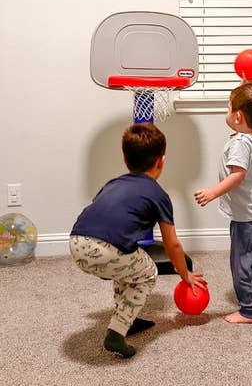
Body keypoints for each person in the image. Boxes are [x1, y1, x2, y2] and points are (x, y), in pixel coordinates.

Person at [70, 123, 206, 357]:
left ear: (125, 159)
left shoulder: (113, 184)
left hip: (76, 243)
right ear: (161, 161)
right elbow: (172, 243)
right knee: (147, 274)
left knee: (128, 263)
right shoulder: (158, 194)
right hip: (106, 250)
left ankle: (126, 318)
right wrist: (185, 274)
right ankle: (117, 331)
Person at [194, 82, 252, 324]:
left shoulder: (241, 143)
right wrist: (245, 86)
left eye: (229, 107)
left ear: (238, 116)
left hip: (247, 219)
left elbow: (237, 175)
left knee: (240, 263)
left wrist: (212, 193)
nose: (227, 111)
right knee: (248, 254)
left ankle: (248, 311)